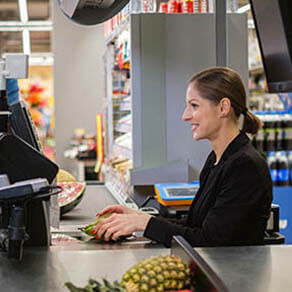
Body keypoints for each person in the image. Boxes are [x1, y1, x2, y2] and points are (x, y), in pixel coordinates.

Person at [94, 67, 273, 247]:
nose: (185, 116)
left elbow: (211, 241)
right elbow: (195, 226)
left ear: (223, 107)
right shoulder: (216, 159)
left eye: (194, 106)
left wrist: (145, 225)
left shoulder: (245, 166)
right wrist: (140, 218)